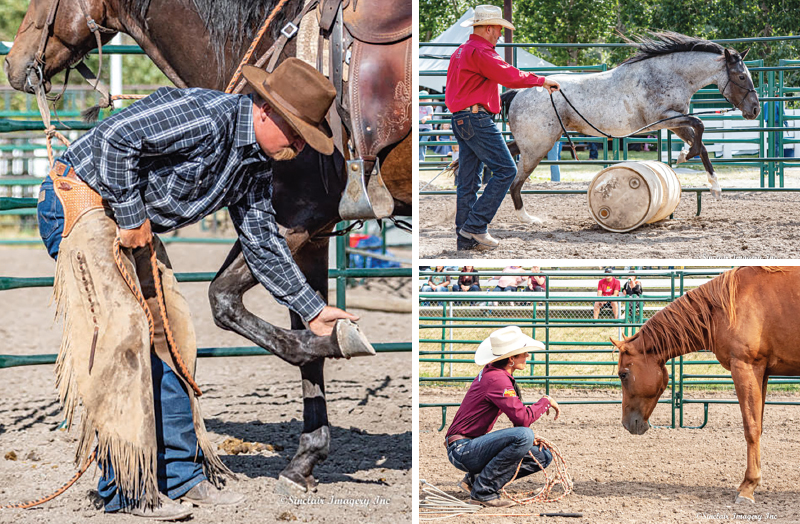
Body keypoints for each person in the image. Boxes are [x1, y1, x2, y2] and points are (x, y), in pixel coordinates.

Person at [35, 58, 362, 519]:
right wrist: (131, 218)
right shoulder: (206, 117)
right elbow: (114, 140)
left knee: (173, 338)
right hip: (82, 200)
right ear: (266, 110)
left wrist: (312, 309)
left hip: (128, 220)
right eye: (294, 133)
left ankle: (181, 476)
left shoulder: (253, 162)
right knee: (122, 338)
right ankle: (126, 489)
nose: (296, 146)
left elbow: (261, 239)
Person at [445, 5, 560, 251]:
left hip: (461, 118)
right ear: (488, 28)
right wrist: (541, 80)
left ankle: (464, 239)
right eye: (498, 30)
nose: (499, 35)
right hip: (477, 119)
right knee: (506, 170)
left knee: (468, 181)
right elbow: (509, 76)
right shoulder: (482, 51)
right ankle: (476, 226)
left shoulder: (461, 51)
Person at [445, 326, 560, 507]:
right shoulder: (498, 379)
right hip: (463, 449)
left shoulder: (494, 374)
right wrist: (545, 402)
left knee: (542, 455)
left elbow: (518, 419)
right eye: (523, 353)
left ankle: (475, 480)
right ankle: (484, 491)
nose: (527, 356)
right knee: (524, 436)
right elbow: (522, 420)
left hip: (466, 447)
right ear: (511, 358)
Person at [419, 90, 435, 161]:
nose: (422, 100)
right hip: (419, 127)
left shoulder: (429, 107)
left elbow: (430, 116)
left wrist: (425, 117)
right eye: (421, 99)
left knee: (422, 143)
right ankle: (419, 158)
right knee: (418, 143)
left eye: (424, 99)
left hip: (427, 128)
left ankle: (421, 159)